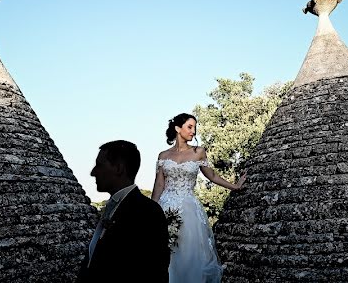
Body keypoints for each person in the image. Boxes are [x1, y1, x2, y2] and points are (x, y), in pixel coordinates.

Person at [151, 113, 246, 283]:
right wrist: (150, 211)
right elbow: (159, 185)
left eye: (195, 127)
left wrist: (235, 186)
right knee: (165, 253)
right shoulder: (163, 156)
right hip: (165, 208)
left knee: (188, 254)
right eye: (189, 127)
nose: (193, 131)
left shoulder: (198, 152)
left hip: (189, 212)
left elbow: (212, 176)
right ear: (177, 128)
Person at [80, 140, 170, 283]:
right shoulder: (111, 207)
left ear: (119, 168)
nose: (93, 172)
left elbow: (154, 272)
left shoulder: (148, 213)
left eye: (99, 165)